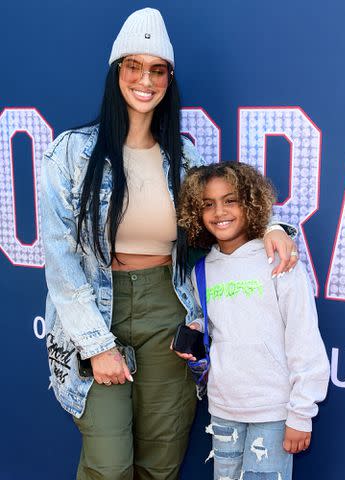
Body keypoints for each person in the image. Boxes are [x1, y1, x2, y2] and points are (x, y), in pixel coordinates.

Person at [40, 8, 298, 480]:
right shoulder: (71, 153)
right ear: (117, 72)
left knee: (160, 461)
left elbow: (226, 208)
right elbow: (59, 260)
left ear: (168, 79)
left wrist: (274, 227)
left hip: (169, 308)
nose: (145, 80)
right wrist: (96, 345)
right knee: (109, 464)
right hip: (97, 310)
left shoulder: (183, 158)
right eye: (133, 66)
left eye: (157, 69)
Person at [176, 162, 330, 480]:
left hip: (273, 411)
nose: (220, 212)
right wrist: (198, 328)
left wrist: (301, 413)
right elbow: (222, 320)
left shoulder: (278, 260)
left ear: (250, 202)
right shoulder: (201, 271)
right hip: (223, 409)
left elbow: (303, 336)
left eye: (230, 200)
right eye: (208, 204)